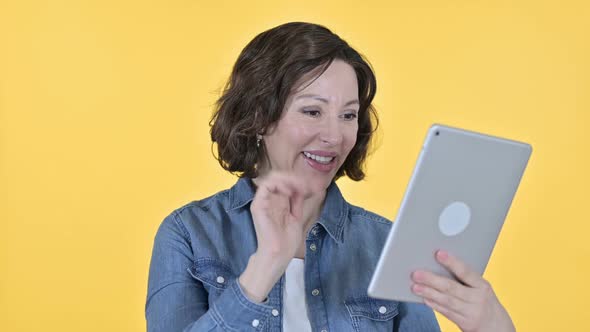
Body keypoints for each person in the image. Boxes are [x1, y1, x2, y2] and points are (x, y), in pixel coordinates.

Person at [145, 22, 515, 332]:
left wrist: (494, 328)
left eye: (348, 115)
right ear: (259, 117)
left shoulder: (386, 244)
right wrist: (265, 265)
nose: (335, 136)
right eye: (312, 111)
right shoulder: (189, 234)